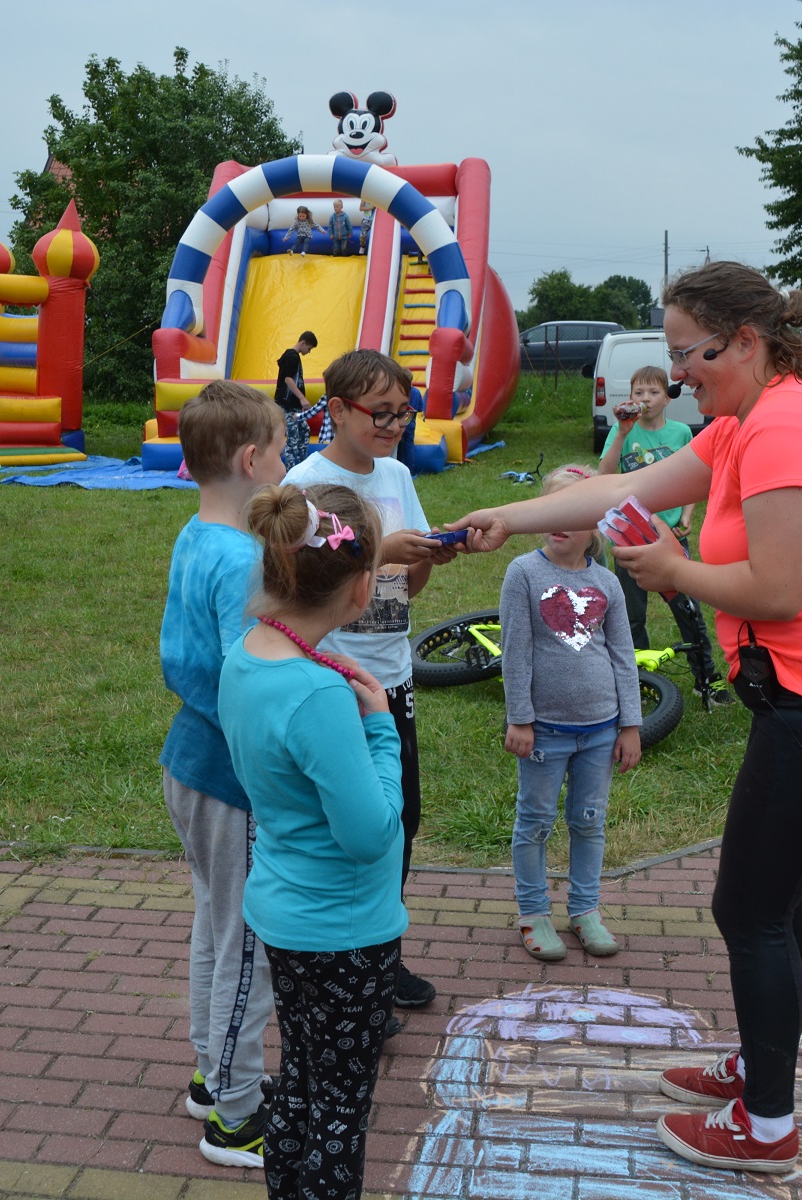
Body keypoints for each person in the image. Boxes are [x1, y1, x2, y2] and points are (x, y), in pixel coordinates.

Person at [450, 261, 802, 1174]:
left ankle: (766, 1126)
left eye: (687, 354)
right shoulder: (747, 422)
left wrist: (671, 572)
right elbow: (627, 492)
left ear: (744, 342)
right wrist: (510, 513)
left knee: (749, 909)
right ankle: (763, 1067)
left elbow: (776, 590)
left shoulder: (784, 429)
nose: (676, 373)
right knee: (778, 900)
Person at [219, 482, 403, 1199]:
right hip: (343, 932)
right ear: (360, 588)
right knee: (339, 1110)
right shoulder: (319, 695)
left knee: (299, 1080)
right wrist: (381, 729)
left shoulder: (245, 656)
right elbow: (370, 835)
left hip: (284, 914)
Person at [283, 349, 462, 1014]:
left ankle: (383, 960)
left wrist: (428, 558)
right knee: (346, 832)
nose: (393, 425)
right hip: (332, 681)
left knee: (399, 822)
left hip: (391, 677)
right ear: (336, 410)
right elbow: (300, 579)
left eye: (403, 413)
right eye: (379, 413)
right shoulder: (305, 484)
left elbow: (404, 589)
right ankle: (348, 975)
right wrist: (381, 549)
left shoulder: (396, 473)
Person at [159, 381, 290, 1168]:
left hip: (190, 762)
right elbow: (249, 683)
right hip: (231, 776)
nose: (286, 463)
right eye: (280, 450)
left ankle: (215, 1078)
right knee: (248, 947)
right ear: (249, 460)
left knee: (216, 927)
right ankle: (235, 1117)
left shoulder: (195, 533)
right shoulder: (243, 560)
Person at [501, 464, 642, 963]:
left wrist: (630, 724)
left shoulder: (608, 582)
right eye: (552, 508)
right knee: (535, 821)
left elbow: (623, 654)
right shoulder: (523, 573)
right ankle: (533, 911)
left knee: (589, 820)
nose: (560, 521)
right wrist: (520, 717)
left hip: (600, 731)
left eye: (574, 511)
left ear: (596, 524)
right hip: (544, 732)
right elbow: (516, 652)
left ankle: (585, 909)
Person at [599, 364, 727, 701]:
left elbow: (693, 479)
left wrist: (687, 514)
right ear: (630, 398)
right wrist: (622, 433)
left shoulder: (681, 433)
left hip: (670, 539)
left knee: (689, 612)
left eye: (653, 392)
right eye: (638, 392)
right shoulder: (622, 432)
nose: (646, 398)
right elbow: (604, 474)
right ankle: (637, 682)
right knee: (630, 617)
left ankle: (706, 679)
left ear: (667, 398)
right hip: (629, 538)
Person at [276, 333, 333, 467]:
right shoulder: (292, 356)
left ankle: (302, 462)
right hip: (287, 405)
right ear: (303, 343)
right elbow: (288, 379)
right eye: (309, 348)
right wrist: (302, 398)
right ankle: (290, 469)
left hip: (293, 405)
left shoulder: (293, 357)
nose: (309, 352)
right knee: (292, 437)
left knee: (304, 431)